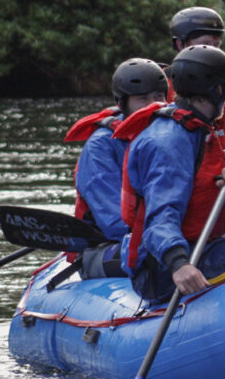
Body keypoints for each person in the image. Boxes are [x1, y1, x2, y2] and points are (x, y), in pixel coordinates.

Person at [114, 45, 225, 302]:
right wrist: (178, 263)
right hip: (162, 267)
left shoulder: (202, 130)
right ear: (218, 90)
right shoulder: (169, 140)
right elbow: (160, 216)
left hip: (202, 246)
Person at [63, 58, 169, 278]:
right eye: (143, 99)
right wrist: (169, 239)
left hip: (162, 233)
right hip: (107, 247)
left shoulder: (173, 134)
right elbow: (115, 224)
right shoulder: (100, 148)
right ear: (122, 103)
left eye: (159, 97)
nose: (154, 105)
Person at [168, 6, 225, 169]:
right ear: (180, 44)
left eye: (216, 45)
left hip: (216, 174)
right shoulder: (157, 85)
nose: (211, 51)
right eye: (205, 44)